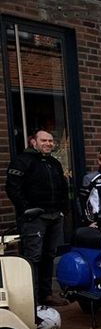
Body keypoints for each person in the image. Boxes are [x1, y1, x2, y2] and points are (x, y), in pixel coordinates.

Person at [5, 129, 70, 306]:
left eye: (50, 141)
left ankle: (46, 294)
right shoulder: (22, 161)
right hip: (34, 219)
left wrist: (63, 209)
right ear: (33, 142)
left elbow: (63, 188)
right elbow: (12, 188)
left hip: (55, 216)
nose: (48, 143)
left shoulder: (54, 163)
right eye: (44, 140)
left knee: (49, 256)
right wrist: (26, 209)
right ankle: (31, 299)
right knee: (33, 258)